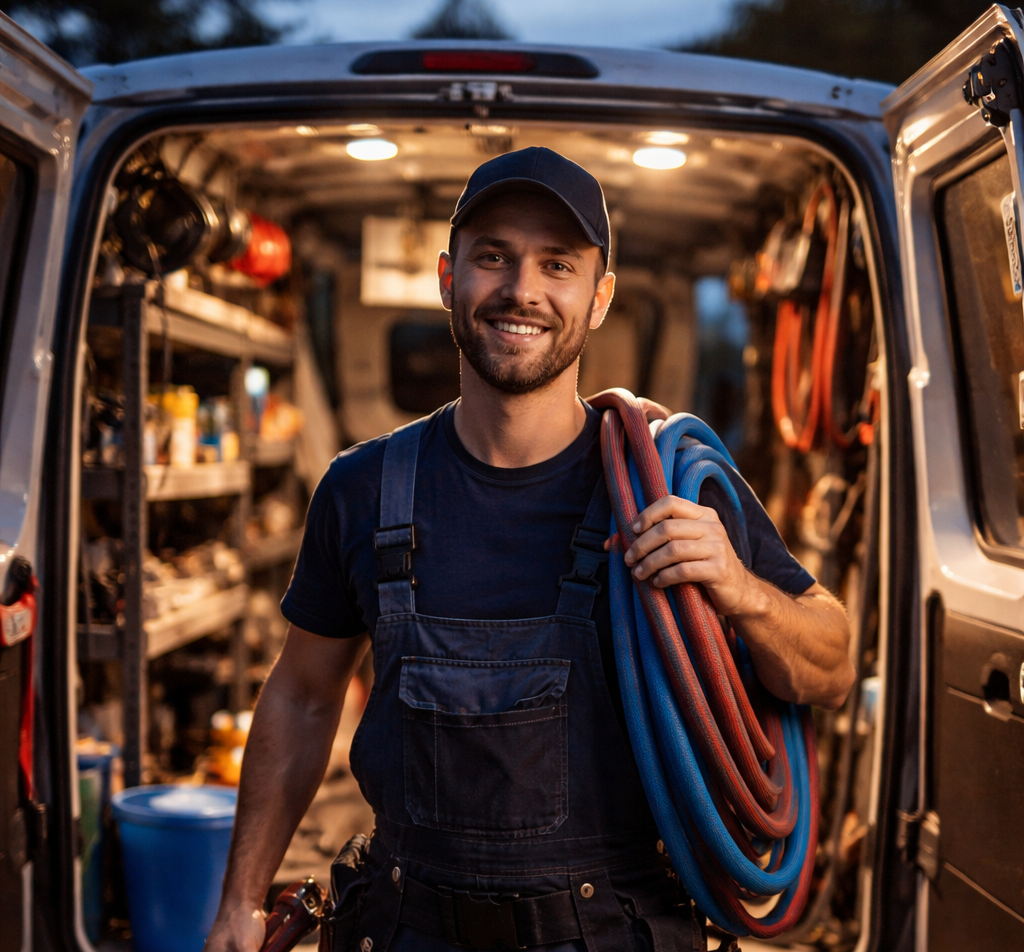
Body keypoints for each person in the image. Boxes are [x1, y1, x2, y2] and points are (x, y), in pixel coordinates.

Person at [205, 147, 854, 952]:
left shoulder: (669, 485)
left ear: (601, 297)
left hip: (615, 928)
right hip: (406, 927)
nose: (522, 291)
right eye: (493, 258)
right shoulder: (361, 487)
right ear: (448, 279)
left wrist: (740, 588)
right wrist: (239, 897)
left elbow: (830, 667)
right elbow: (303, 698)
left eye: (558, 265)